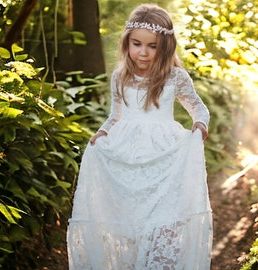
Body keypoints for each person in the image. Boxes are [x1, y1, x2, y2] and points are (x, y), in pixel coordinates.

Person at [67, 3, 213, 269]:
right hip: (128, 155)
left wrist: (200, 125)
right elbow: (116, 116)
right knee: (130, 222)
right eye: (137, 44)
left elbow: (198, 107)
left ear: (165, 46)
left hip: (164, 156)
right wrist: (102, 133)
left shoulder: (175, 77)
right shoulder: (120, 76)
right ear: (127, 43)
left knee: (163, 219)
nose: (142, 52)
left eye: (152, 46)